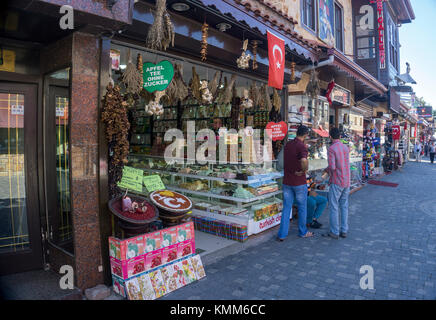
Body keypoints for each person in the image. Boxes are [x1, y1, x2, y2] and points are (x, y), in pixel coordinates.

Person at [277, 125, 314, 240]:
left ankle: (282, 235)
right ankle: (303, 232)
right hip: (298, 182)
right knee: (302, 207)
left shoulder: (288, 144)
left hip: (287, 181)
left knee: (287, 208)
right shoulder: (302, 147)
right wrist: (304, 170)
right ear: (305, 135)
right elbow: (303, 160)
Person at [322, 127, 350, 240]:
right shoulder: (345, 147)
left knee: (333, 206)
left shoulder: (332, 149)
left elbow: (332, 167)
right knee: (344, 206)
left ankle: (334, 231)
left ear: (330, 137)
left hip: (337, 181)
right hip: (346, 181)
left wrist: (325, 170)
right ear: (339, 136)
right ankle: (344, 230)